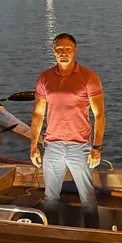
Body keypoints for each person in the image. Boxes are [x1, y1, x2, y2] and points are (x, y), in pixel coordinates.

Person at [29, 33, 105, 229]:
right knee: (50, 198)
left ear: (75, 50)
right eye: (59, 49)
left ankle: (92, 235)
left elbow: (99, 115)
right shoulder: (45, 78)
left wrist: (96, 147)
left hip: (80, 147)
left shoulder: (89, 77)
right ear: (54, 52)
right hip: (53, 146)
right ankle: (52, 234)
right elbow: (38, 114)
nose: (64, 53)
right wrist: (34, 146)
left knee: (87, 197)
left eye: (68, 49)